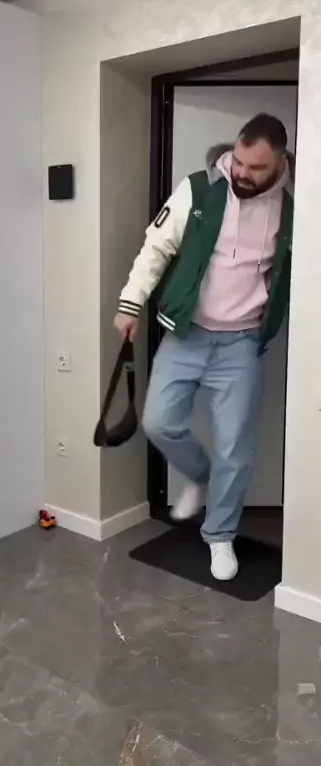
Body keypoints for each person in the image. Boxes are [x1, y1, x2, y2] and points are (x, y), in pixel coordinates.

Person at [114, 113, 294, 581]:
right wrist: (130, 304)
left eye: (256, 168)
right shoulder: (198, 188)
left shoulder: (293, 208)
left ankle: (219, 535)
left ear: (279, 164)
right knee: (159, 422)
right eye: (239, 162)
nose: (242, 174)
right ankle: (199, 477)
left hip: (241, 344)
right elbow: (156, 248)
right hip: (186, 334)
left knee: (236, 447)